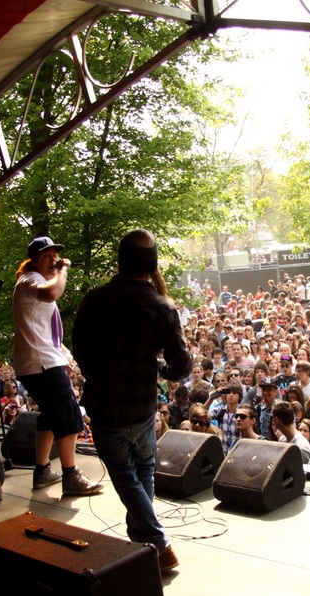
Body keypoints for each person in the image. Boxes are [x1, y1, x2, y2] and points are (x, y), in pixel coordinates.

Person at [73, 229, 191, 572]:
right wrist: (156, 365)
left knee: (126, 476)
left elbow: (80, 350)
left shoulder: (94, 300)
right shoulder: (160, 306)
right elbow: (180, 367)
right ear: (151, 265)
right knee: (143, 472)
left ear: (120, 260)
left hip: (105, 406)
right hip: (142, 407)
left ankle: (154, 542)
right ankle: (147, 542)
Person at [13, 236, 103, 496]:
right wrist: (63, 269)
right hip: (40, 364)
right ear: (33, 261)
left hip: (40, 361)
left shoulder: (33, 281)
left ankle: (42, 471)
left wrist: (63, 354)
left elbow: (39, 328)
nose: (53, 260)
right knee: (68, 416)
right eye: (46, 256)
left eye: (55, 255)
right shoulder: (32, 280)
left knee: (51, 417)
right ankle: (71, 476)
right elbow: (53, 291)